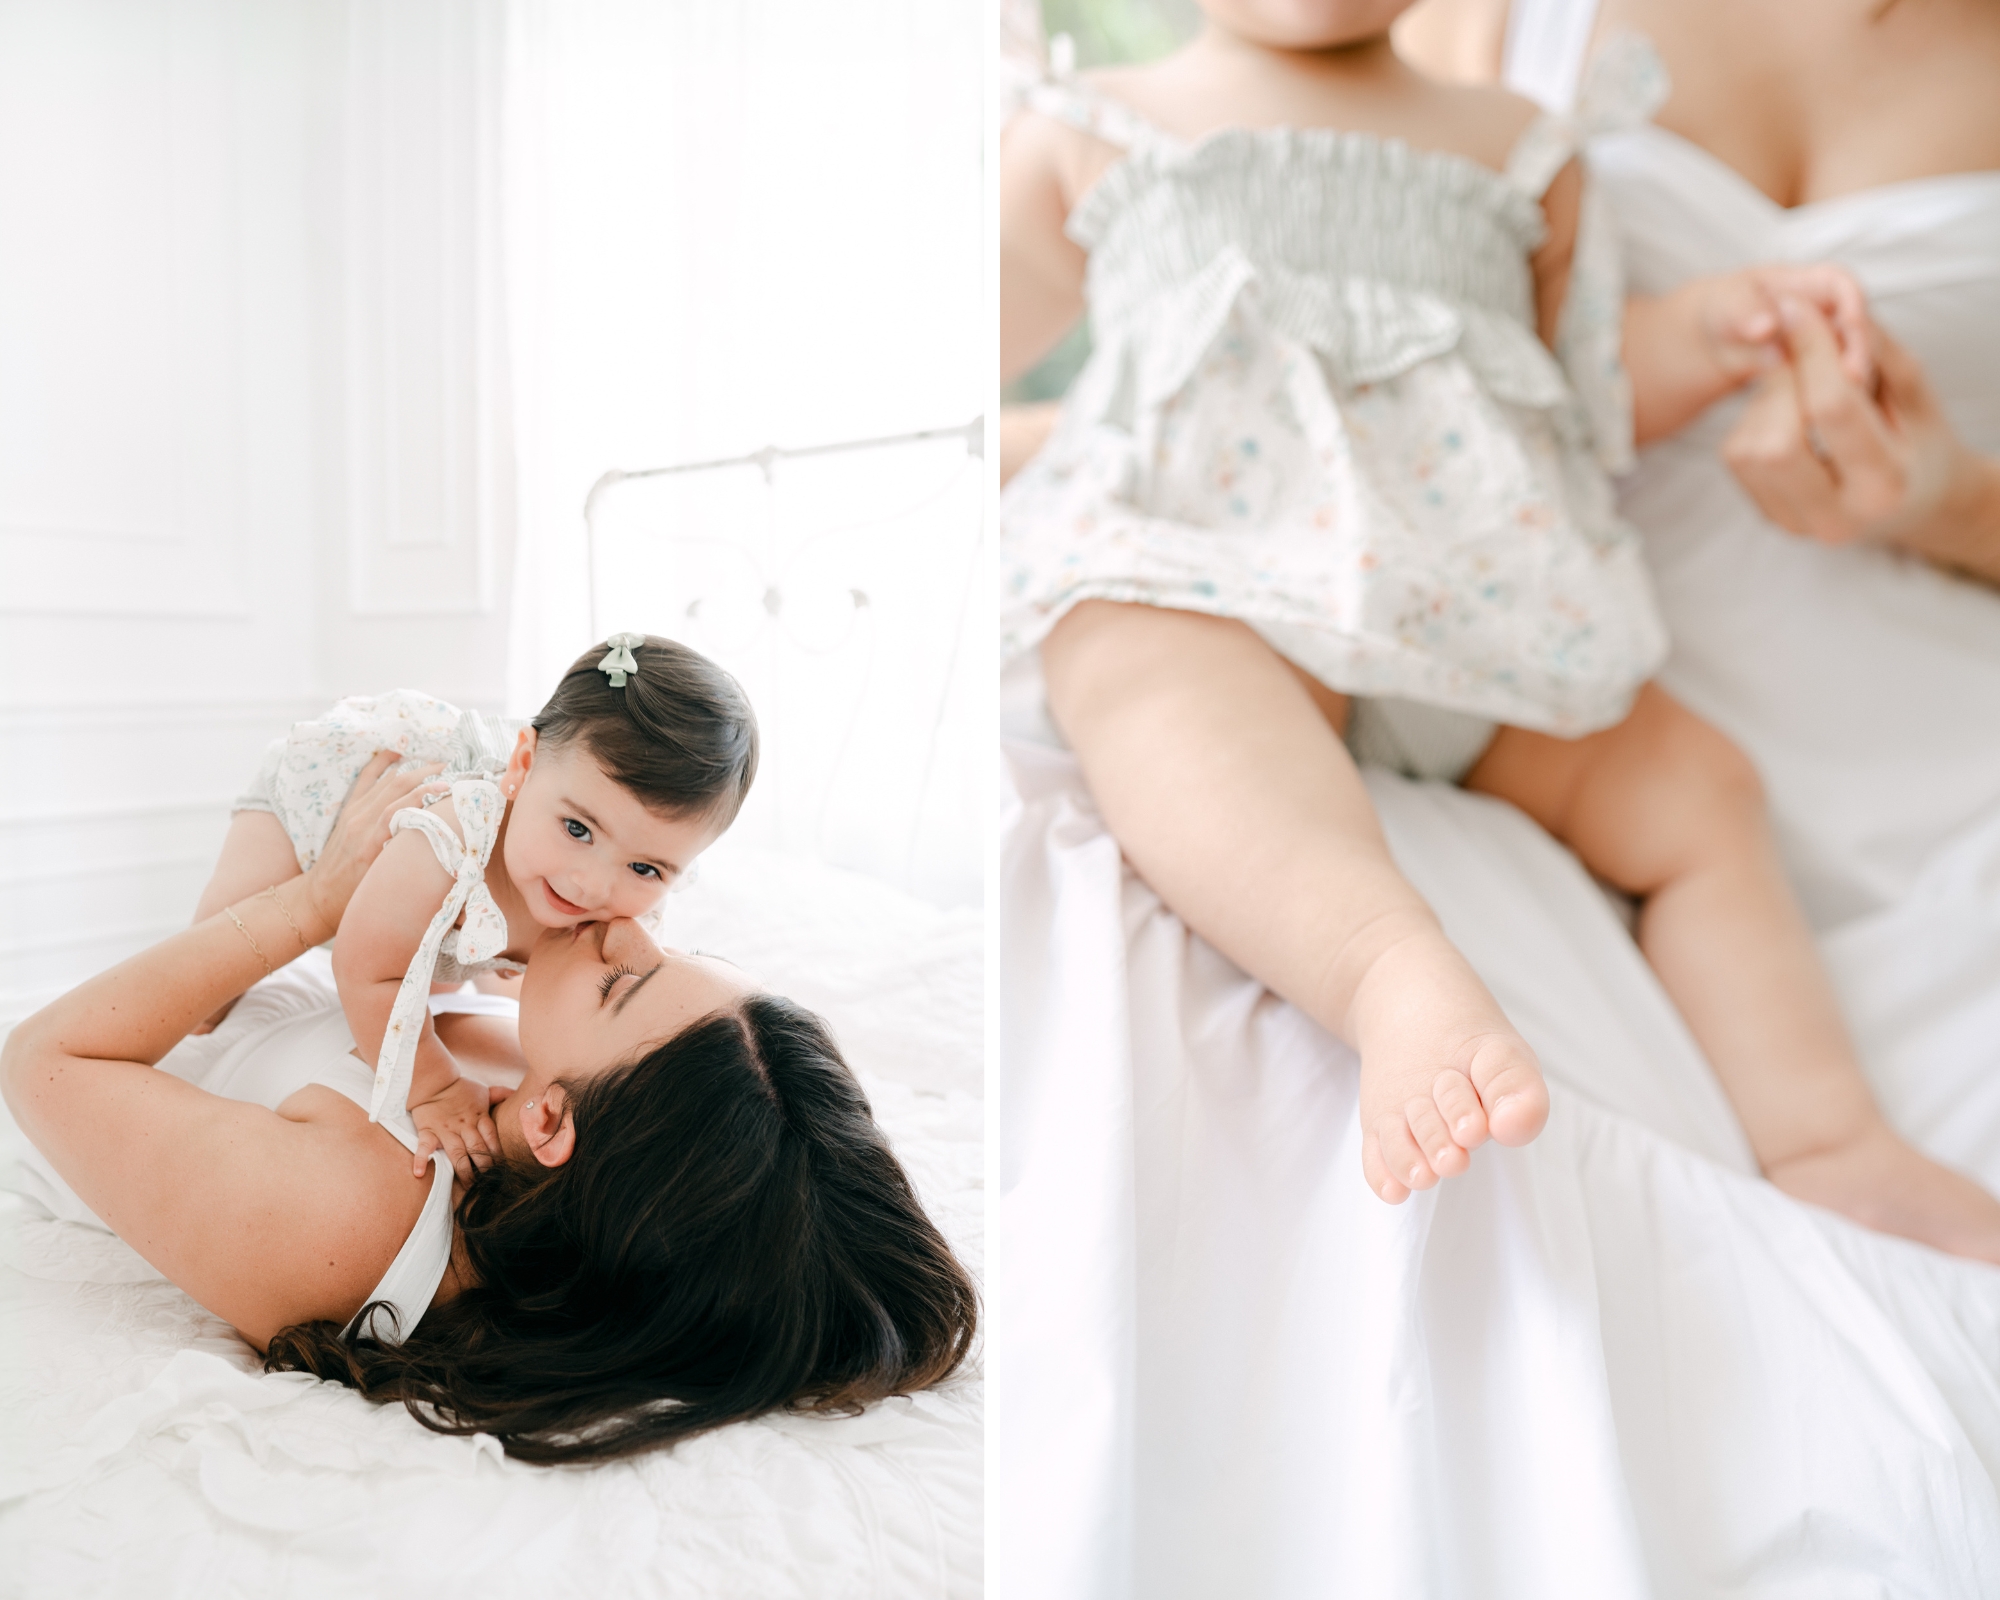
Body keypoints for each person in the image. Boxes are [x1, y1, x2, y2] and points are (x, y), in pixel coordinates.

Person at [998, 0, 2000, 1254]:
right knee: (1137, 668)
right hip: (1225, 585)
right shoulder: (1091, 128)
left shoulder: (1517, 140)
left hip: (1481, 614)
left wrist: (1707, 329)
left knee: (1696, 793)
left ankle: (1828, 1138)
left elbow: (1580, 383)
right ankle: (1383, 969)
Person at [0, 752, 977, 1465]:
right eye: (677, 957)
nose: (622, 928)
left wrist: (318, 899)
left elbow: (42, 1059)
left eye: (621, 986)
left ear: (553, 1124)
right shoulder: (562, 1095)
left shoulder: (354, 1212)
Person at [191, 632, 757, 1183]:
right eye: (578, 828)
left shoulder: (626, 915)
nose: (588, 886)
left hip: (424, 915)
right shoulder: (452, 838)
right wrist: (434, 1086)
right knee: (204, 998)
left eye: (644, 868)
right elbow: (367, 968)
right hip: (311, 810)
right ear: (522, 766)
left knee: (432, 981)